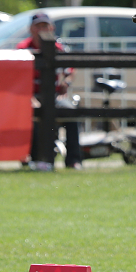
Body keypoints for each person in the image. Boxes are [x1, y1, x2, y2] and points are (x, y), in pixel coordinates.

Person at [17, 12, 82, 170]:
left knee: (70, 112)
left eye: (45, 26)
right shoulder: (23, 49)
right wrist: (29, 97)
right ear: (30, 29)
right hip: (30, 96)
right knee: (36, 113)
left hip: (54, 95)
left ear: (51, 28)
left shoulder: (58, 47)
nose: (41, 30)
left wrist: (66, 82)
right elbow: (18, 78)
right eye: (38, 26)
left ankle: (73, 160)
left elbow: (70, 70)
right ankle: (35, 158)